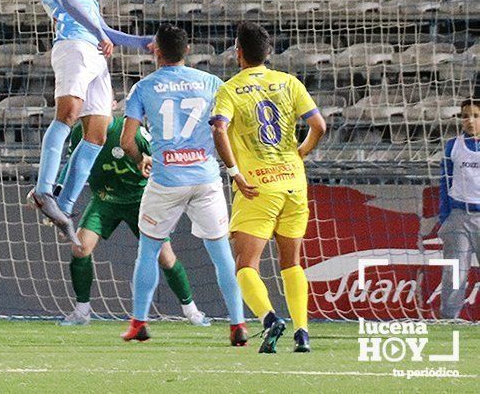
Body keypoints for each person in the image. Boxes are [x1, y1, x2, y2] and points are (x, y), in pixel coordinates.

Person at [119, 25, 247, 344]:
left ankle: (139, 323)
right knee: (221, 255)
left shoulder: (143, 88)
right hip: (205, 178)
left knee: (148, 252)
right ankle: (238, 325)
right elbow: (226, 130)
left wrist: (140, 159)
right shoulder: (213, 84)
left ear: (156, 51)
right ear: (187, 50)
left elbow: (126, 140)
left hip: (166, 180)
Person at [28, 0, 155, 245]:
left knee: (97, 133)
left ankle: (64, 205)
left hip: (96, 54)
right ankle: (44, 188)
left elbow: (103, 28)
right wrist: (98, 33)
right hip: (75, 46)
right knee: (67, 114)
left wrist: (142, 42)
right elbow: (69, 5)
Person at [211, 23, 326, 353]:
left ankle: (269, 318)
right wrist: (300, 153)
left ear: (238, 53)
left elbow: (219, 129)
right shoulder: (289, 82)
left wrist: (234, 172)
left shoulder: (230, 89)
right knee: (292, 263)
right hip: (293, 183)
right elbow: (319, 125)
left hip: (257, 188)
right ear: (269, 53)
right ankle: (302, 332)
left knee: (246, 266)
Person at [56, 113, 210, 328]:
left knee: (165, 257)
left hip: (140, 200)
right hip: (104, 199)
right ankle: (82, 311)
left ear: (110, 104)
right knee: (80, 248)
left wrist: (169, 201)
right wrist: (58, 197)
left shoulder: (130, 130)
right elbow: (73, 166)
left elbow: (160, 157)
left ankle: (192, 311)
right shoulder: (78, 133)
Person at [438, 98, 480, 319]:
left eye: (475, 115)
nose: (470, 121)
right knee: (455, 272)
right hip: (459, 216)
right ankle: (449, 318)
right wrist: (444, 216)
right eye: (465, 116)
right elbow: (444, 182)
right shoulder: (453, 145)